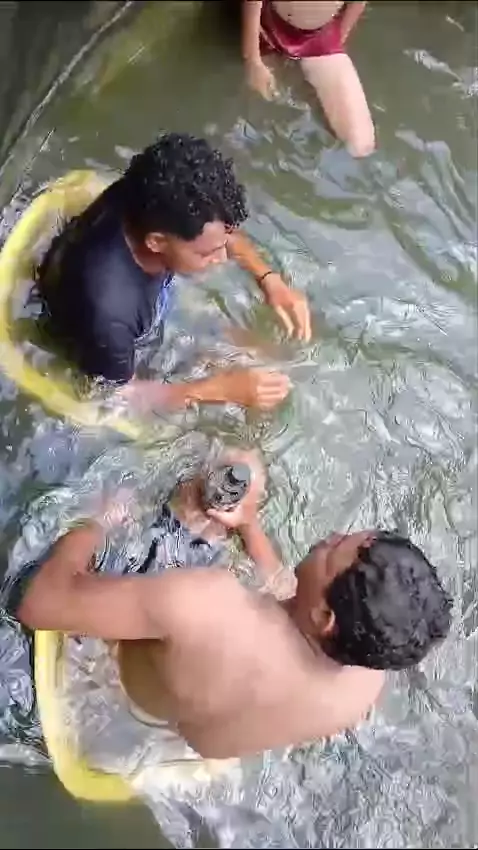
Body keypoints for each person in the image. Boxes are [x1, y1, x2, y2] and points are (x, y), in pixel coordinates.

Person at [14, 478, 452, 759]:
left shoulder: (206, 603)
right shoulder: (367, 678)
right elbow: (288, 617)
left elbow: (37, 604)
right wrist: (248, 525)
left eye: (334, 549)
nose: (331, 537)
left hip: (103, 685)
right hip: (180, 740)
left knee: (187, 498)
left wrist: (97, 520)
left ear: (325, 616)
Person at [37, 133, 311, 414]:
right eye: (207, 253)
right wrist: (219, 391)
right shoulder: (108, 314)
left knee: (268, 357)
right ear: (156, 242)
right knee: (247, 424)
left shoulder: (150, 193)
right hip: (118, 354)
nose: (222, 258)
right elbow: (119, 397)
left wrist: (268, 278)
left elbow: (220, 233)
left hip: (148, 306)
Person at [241, 1, 375, 157]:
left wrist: (339, 39)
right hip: (269, 29)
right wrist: (253, 60)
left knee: (361, 144)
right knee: (262, 111)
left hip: (321, 37)